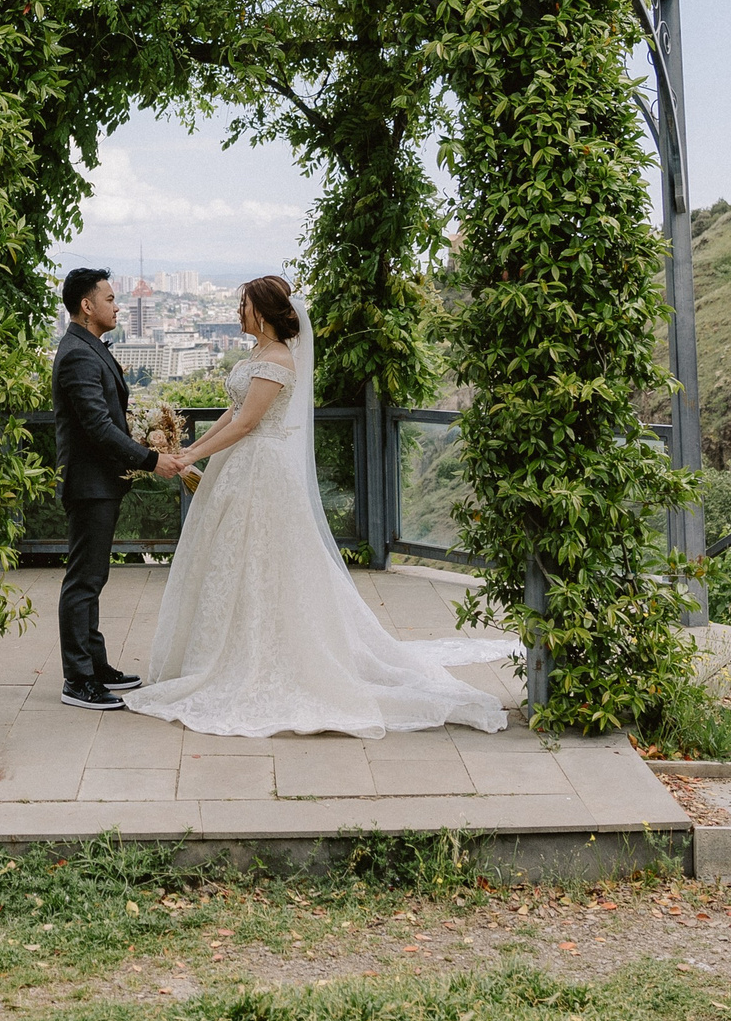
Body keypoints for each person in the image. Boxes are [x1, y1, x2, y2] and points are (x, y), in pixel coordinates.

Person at [122, 275, 508, 737]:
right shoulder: (256, 356)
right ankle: (221, 650)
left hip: (262, 469)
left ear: (260, 312)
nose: (237, 313)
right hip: (241, 466)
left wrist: (193, 456)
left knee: (262, 558)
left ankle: (265, 654)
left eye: (242, 305)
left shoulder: (280, 359)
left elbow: (247, 424)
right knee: (232, 560)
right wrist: (192, 451)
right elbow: (231, 411)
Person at [53, 266, 192, 710]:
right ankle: (78, 680)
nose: (117, 306)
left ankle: (95, 665)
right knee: (83, 581)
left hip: (99, 483)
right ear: (86, 306)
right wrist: (151, 459)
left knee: (93, 578)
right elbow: (96, 426)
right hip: (89, 484)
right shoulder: (77, 353)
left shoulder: (87, 347)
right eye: (110, 299)